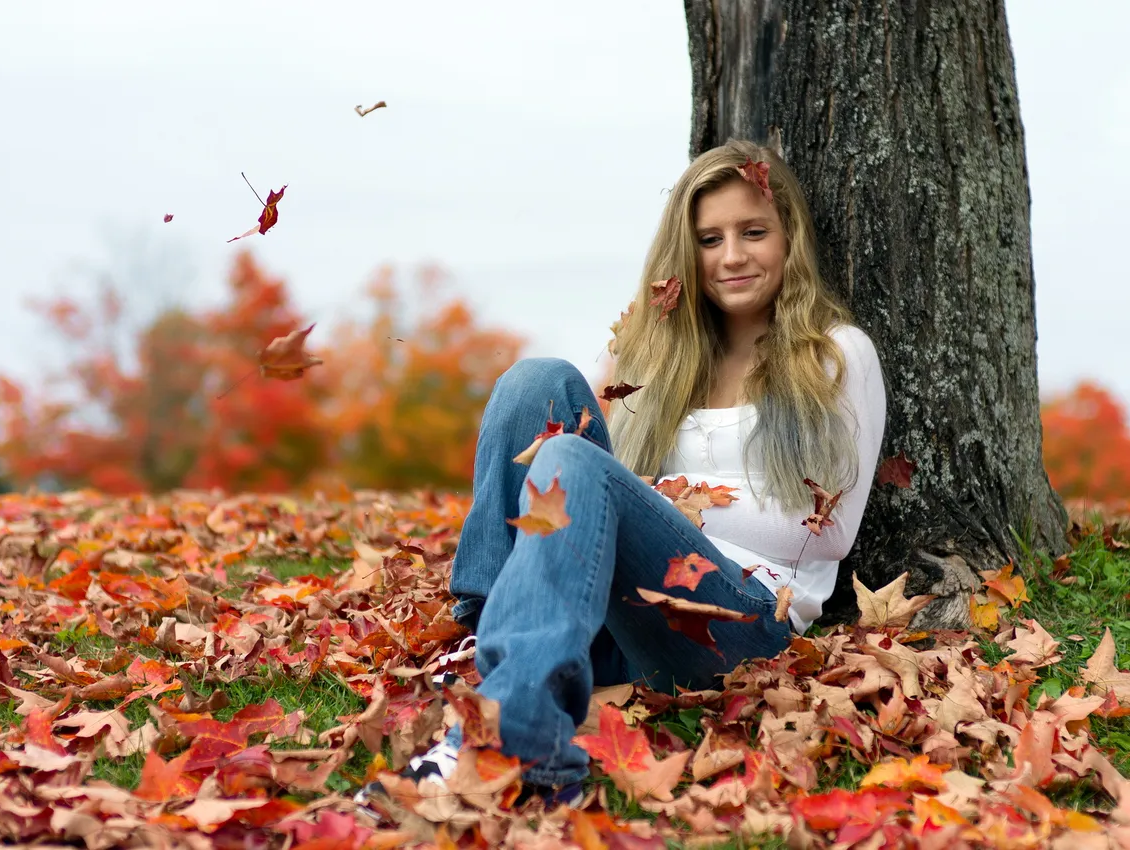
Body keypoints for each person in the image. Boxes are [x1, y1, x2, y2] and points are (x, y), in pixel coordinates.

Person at [361, 139, 887, 813]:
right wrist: (641, 493)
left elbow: (827, 533)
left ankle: (513, 744)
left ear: (790, 238)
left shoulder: (836, 355)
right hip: (627, 621)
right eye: (710, 239)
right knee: (536, 383)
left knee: (572, 461)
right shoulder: (666, 357)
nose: (732, 256)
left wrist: (668, 500)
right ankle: (488, 642)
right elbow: (606, 493)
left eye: (754, 232)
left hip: (743, 622)